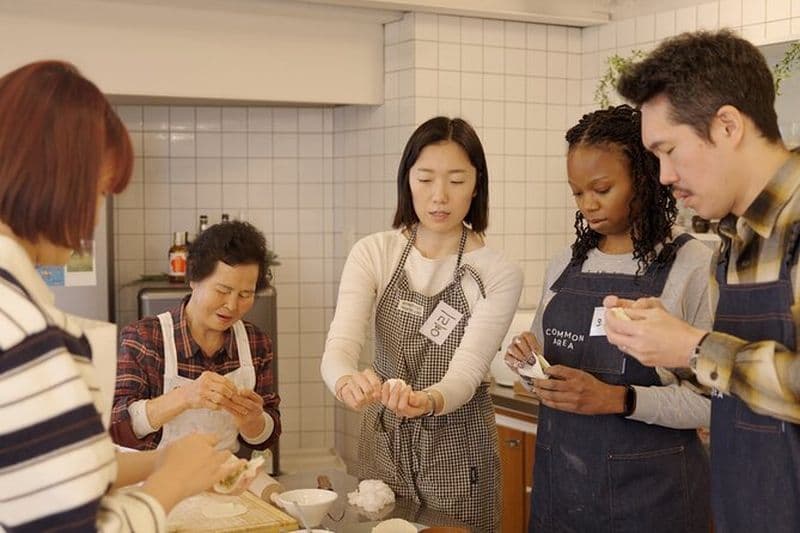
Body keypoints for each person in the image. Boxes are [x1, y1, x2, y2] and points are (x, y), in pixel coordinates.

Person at [0, 60, 239, 532]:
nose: (92, 219)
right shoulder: (26, 331)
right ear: (57, 180)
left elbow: (46, 469)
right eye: (99, 191)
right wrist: (171, 483)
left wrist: (163, 461)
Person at [603, 30, 800, 533]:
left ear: (727, 126)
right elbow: (739, 389)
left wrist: (694, 348)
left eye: (669, 150)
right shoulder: (733, 239)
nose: (664, 176)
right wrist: (666, 346)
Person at [505, 105, 713, 532]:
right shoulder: (565, 263)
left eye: (602, 189)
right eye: (577, 193)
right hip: (561, 494)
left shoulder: (691, 264)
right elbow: (541, 374)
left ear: (645, 176)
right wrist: (529, 366)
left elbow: (712, 404)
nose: (588, 205)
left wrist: (617, 399)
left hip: (654, 501)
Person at [320, 116, 522, 532]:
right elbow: (339, 346)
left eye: (456, 180)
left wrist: (427, 400)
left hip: (459, 449)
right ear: (407, 180)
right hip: (384, 443)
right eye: (425, 179)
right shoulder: (374, 253)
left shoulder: (497, 272)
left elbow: (467, 373)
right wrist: (345, 380)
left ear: (477, 184)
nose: (439, 196)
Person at [111, 220, 280, 455]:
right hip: (158, 475)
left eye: (245, 295)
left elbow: (266, 436)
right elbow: (117, 428)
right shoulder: (144, 338)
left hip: (224, 473)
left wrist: (253, 420)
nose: (232, 306)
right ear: (193, 280)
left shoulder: (256, 343)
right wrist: (185, 396)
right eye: (222, 290)